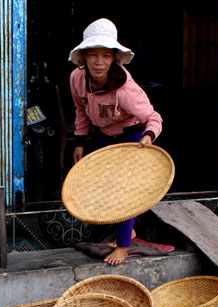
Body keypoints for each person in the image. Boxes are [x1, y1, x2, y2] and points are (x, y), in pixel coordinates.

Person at [69, 18, 163, 266]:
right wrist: (79, 142)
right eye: (93, 55)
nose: (99, 62)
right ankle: (128, 231)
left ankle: (123, 245)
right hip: (104, 136)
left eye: (106, 56)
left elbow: (154, 117)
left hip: (133, 136)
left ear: (113, 58)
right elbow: (81, 110)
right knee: (107, 187)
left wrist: (148, 136)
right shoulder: (77, 79)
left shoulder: (125, 89)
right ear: (84, 57)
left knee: (126, 191)